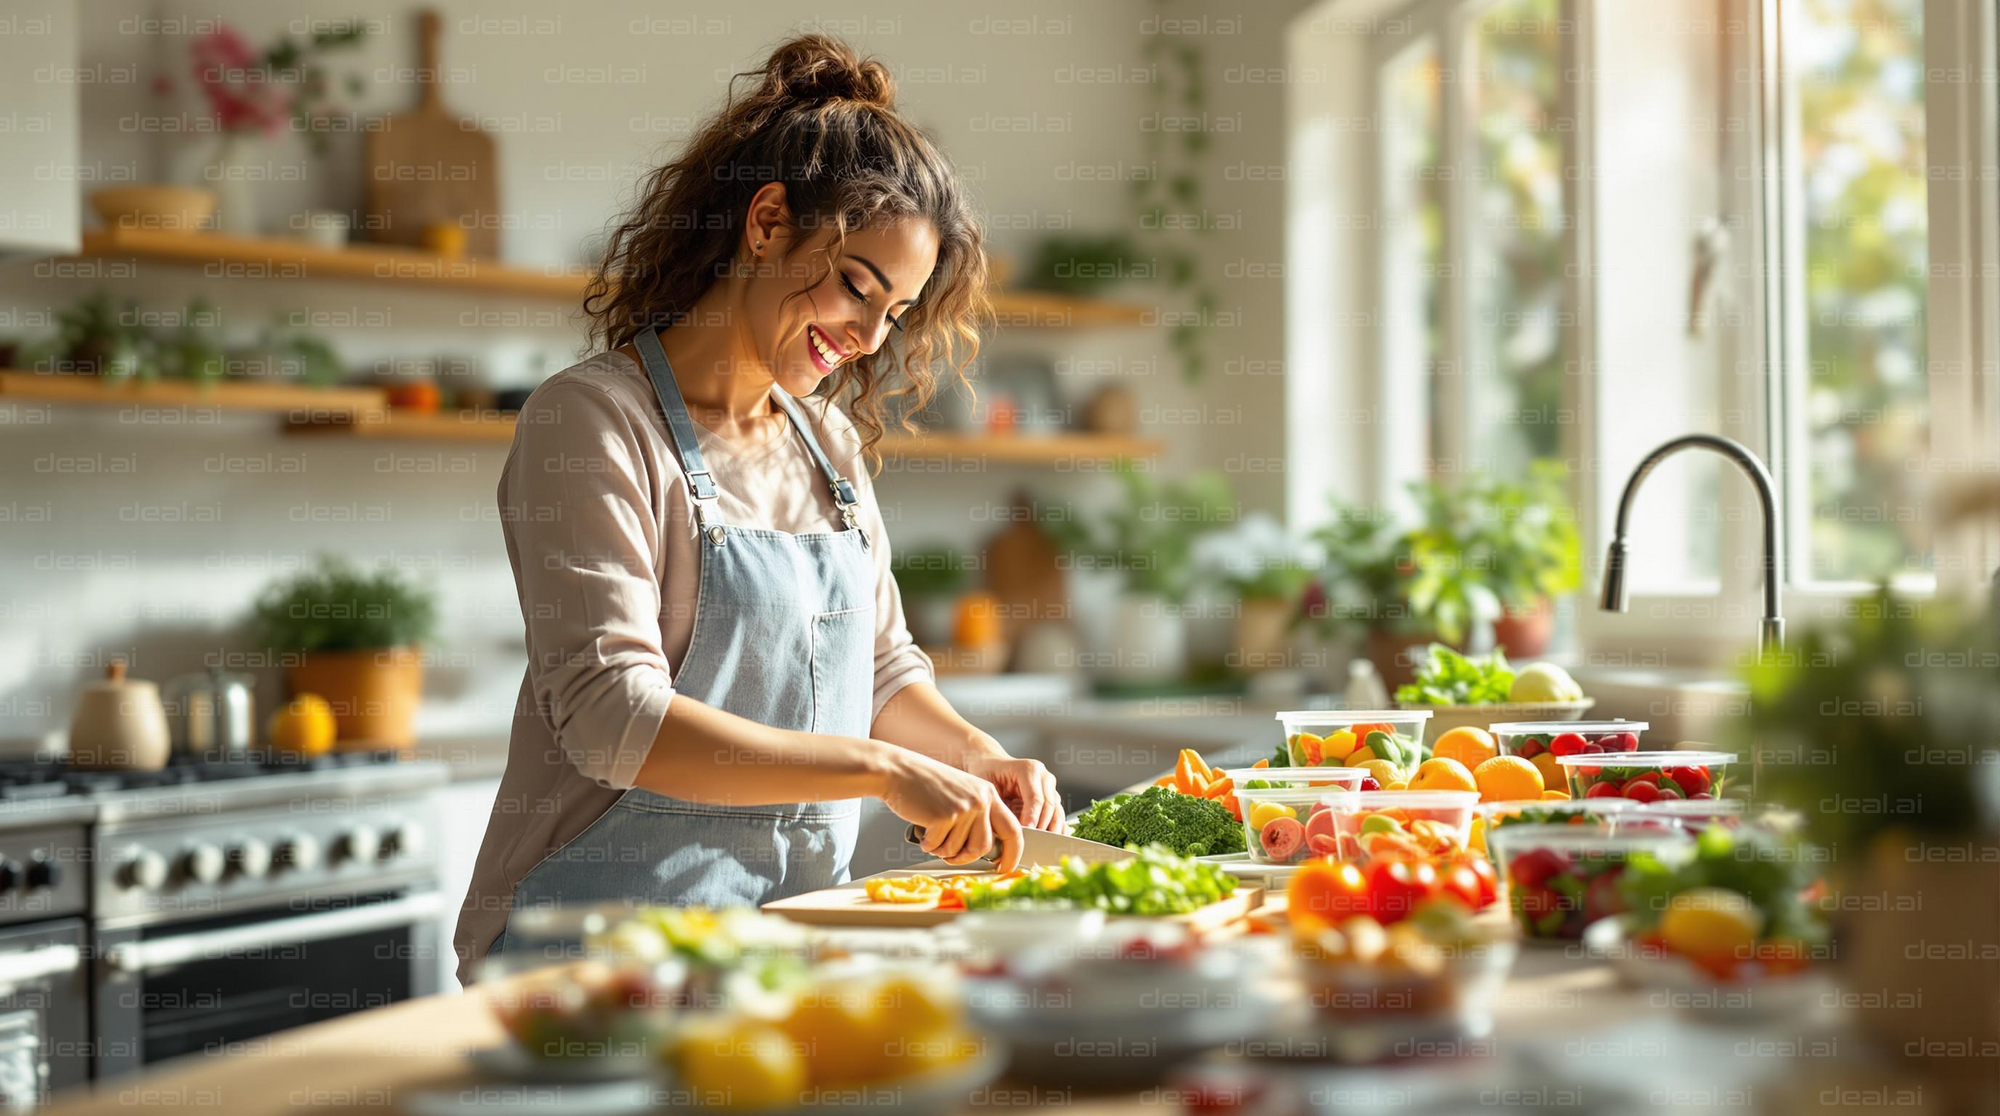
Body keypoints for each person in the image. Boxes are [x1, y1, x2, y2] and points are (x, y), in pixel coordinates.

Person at [454, 34, 1060, 983]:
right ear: (768, 222)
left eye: (894, 313)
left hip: (783, 944)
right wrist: (879, 770)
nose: (864, 339)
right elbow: (614, 718)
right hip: (594, 958)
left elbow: (884, 668)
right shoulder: (592, 422)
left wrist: (978, 757)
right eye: (857, 285)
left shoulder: (829, 445)